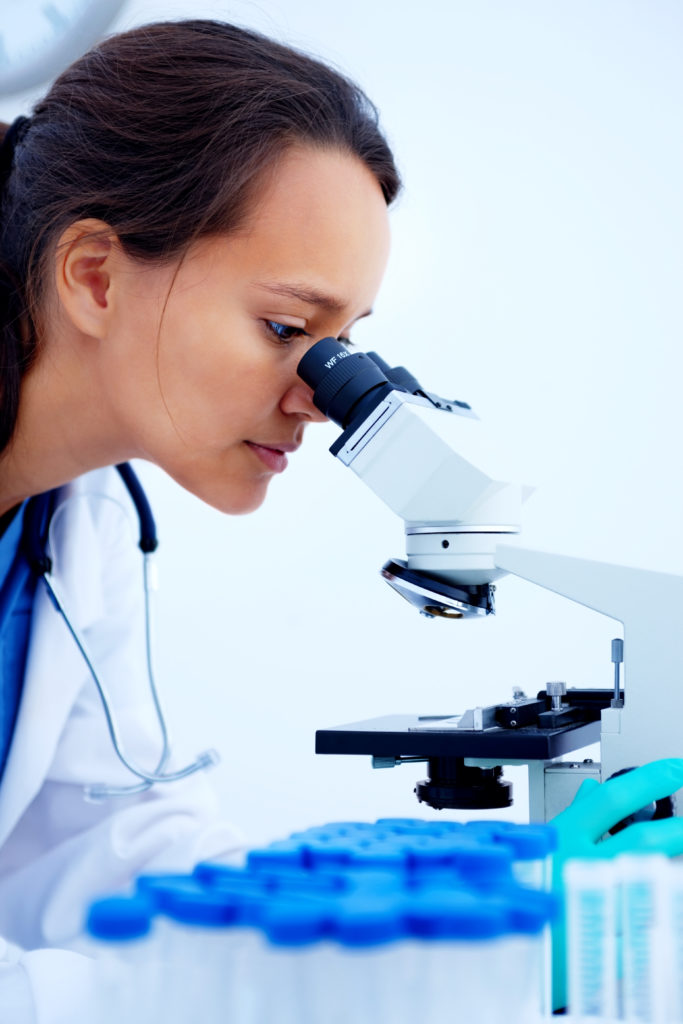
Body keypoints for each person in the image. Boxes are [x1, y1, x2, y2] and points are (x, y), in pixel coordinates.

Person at [0, 16, 681, 1023]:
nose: (322, 396)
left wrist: (438, 897)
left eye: (345, 344)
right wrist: (452, 967)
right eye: (287, 329)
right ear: (95, 274)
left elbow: (105, 855)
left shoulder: (79, 518)